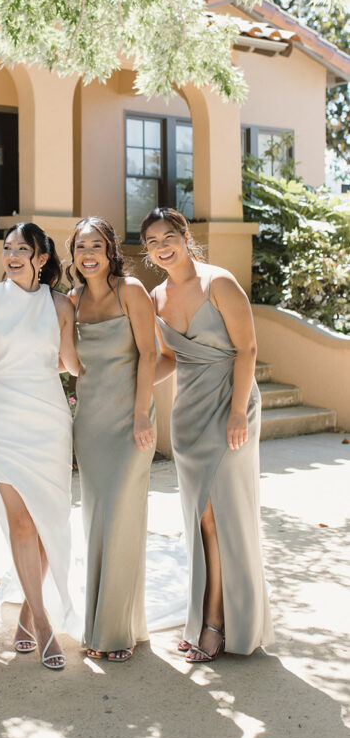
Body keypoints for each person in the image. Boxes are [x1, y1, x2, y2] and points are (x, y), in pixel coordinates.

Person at [141, 207, 273, 662]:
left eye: (167, 236)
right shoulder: (156, 296)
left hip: (231, 406)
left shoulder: (219, 282)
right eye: (152, 242)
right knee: (200, 519)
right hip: (189, 414)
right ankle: (204, 615)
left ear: (184, 236)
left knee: (222, 517)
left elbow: (248, 348)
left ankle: (217, 622)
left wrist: (238, 412)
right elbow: (168, 359)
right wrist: (130, 390)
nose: (161, 247)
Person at [0, 222, 80, 670]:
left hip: (49, 418)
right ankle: (44, 624)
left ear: (41, 257)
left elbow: (72, 364)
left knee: (48, 521)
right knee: (20, 525)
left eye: (22, 249)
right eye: (6, 248)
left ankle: (27, 617)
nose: (12, 255)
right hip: (1, 417)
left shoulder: (60, 305)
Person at [66, 217, 157, 662]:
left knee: (121, 516)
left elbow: (151, 354)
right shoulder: (72, 300)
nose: (89, 253)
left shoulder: (131, 291)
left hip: (130, 420)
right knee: (98, 521)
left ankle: (115, 630)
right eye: (81, 245)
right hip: (91, 423)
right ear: (74, 254)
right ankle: (111, 622)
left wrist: (142, 414)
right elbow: (60, 359)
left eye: (96, 245)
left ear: (110, 251)